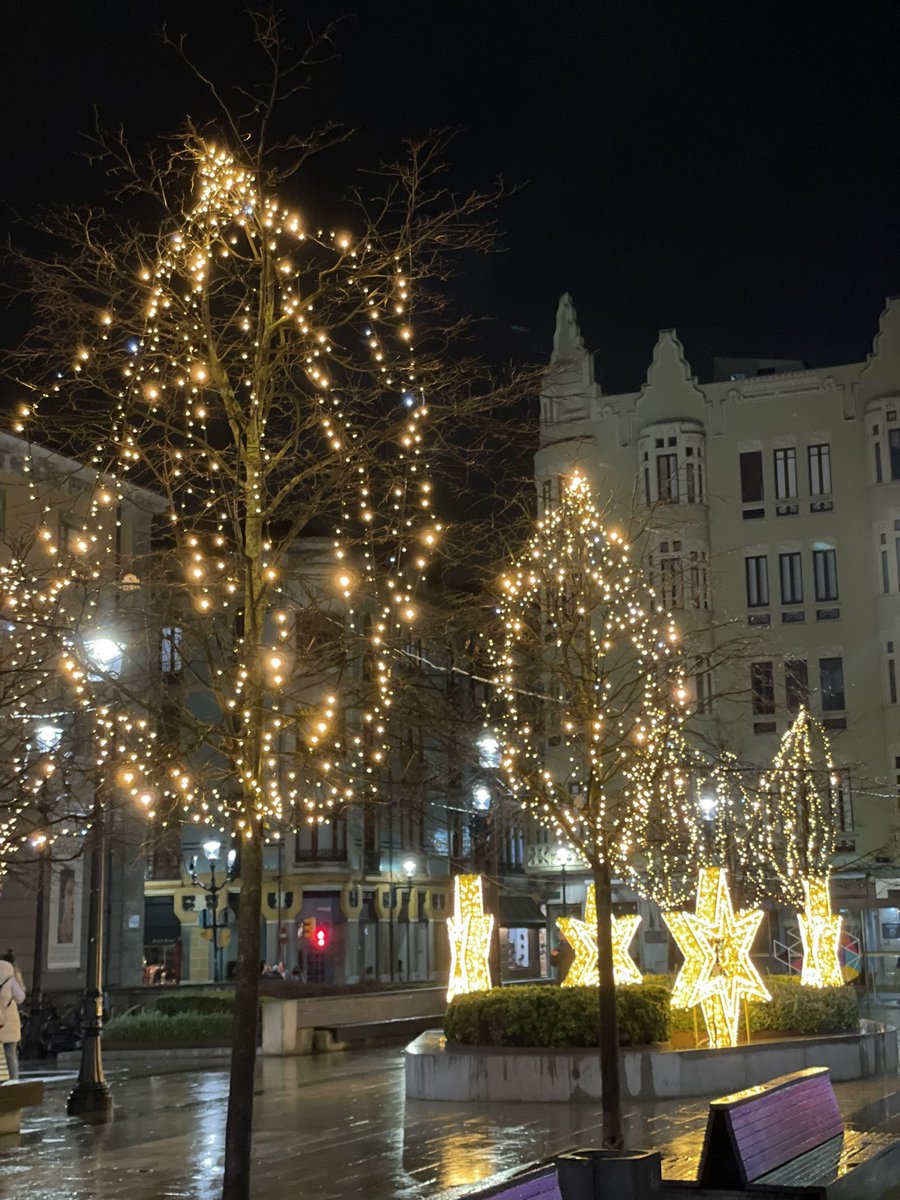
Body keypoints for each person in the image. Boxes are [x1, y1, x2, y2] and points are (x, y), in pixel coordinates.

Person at [0, 953, 26, 1080]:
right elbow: (20, 997)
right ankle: (13, 1083)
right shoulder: (10, 978)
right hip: (9, 1021)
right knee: (10, 1055)